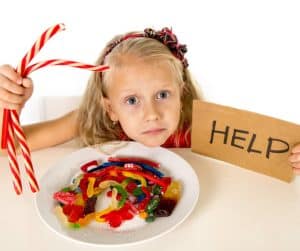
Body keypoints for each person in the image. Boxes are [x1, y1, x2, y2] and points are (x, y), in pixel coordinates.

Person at [0, 27, 299, 175]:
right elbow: (7, 147)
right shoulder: (89, 119)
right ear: (110, 108)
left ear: (181, 93)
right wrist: (9, 107)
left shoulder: (199, 125)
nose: (152, 114)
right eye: (131, 100)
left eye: (162, 95)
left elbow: (277, 148)